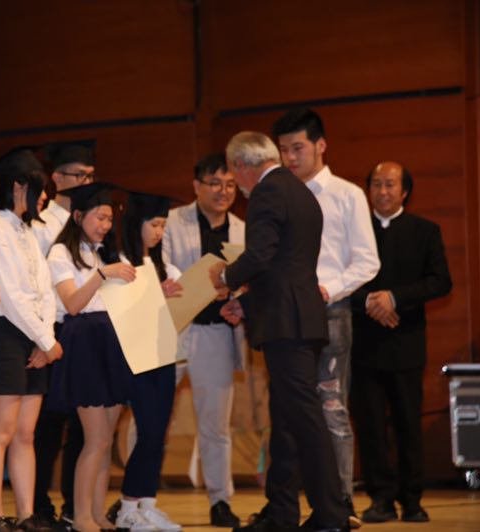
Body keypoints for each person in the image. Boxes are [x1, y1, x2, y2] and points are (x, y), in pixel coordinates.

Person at [212, 131, 348, 531]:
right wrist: (248, 303)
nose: (237, 184)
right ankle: (283, 511)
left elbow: (260, 255)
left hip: (287, 324)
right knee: (287, 419)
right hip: (300, 317)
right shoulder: (300, 190)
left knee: (303, 417)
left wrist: (226, 277)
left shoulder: (268, 192)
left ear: (242, 165)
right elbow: (286, 266)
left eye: (234, 173)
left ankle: (331, 513)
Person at [272, 108, 379, 527]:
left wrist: (327, 289)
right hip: (286, 317)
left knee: (332, 410)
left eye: (297, 148)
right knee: (286, 415)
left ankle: (340, 506)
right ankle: (286, 508)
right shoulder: (277, 194)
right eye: (283, 150)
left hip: (330, 311)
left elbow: (367, 261)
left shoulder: (347, 194)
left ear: (321, 145)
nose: (290, 158)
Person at [350, 161, 451, 523]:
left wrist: (394, 298)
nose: (382, 191)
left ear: (404, 191)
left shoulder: (425, 231)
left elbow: (440, 281)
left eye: (390, 184)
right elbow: (337, 280)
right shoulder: (354, 232)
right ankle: (380, 498)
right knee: (370, 427)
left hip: (406, 343)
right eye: (376, 184)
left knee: (409, 425)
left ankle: (412, 500)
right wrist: (371, 302)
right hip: (364, 344)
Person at [0, 147, 62, 532]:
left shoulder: (29, 231)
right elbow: (9, 295)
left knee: (25, 434)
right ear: (18, 186)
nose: (45, 197)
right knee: (1, 431)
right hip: (3, 334)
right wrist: (44, 339)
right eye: (40, 188)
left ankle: (26, 514)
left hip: (34, 336)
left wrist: (46, 339)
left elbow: (46, 289)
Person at [45, 182, 135, 532]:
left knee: (106, 440)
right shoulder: (60, 253)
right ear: (78, 216)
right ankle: (80, 515)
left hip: (112, 342)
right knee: (94, 438)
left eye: (110, 219)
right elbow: (72, 303)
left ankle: (97, 514)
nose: (105, 225)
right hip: (83, 342)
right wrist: (102, 275)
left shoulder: (106, 254)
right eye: (100, 217)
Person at [161, 153, 245, 528]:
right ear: (197, 186)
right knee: (151, 418)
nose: (223, 191)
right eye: (215, 183)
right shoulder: (172, 221)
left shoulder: (243, 229)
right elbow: (160, 266)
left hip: (217, 332)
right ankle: (135, 497)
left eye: (230, 184)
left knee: (215, 424)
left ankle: (220, 501)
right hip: (173, 328)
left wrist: (237, 291)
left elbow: (252, 277)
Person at [32, 139, 95, 525]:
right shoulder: (41, 226)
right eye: (79, 175)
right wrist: (44, 338)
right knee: (48, 425)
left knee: (83, 424)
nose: (87, 182)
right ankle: (39, 505)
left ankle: (75, 505)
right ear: (56, 179)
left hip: (84, 330)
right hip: (52, 328)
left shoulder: (89, 223)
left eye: (91, 175)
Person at [112, 191, 183, 532]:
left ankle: (147, 504)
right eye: (154, 224)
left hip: (162, 353)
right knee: (149, 431)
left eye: (163, 226)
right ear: (135, 223)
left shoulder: (161, 264)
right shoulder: (120, 262)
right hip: (135, 356)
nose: (159, 232)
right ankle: (127, 508)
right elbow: (120, 307)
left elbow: (183, 288)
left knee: (159, 433)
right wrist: (157, 294)